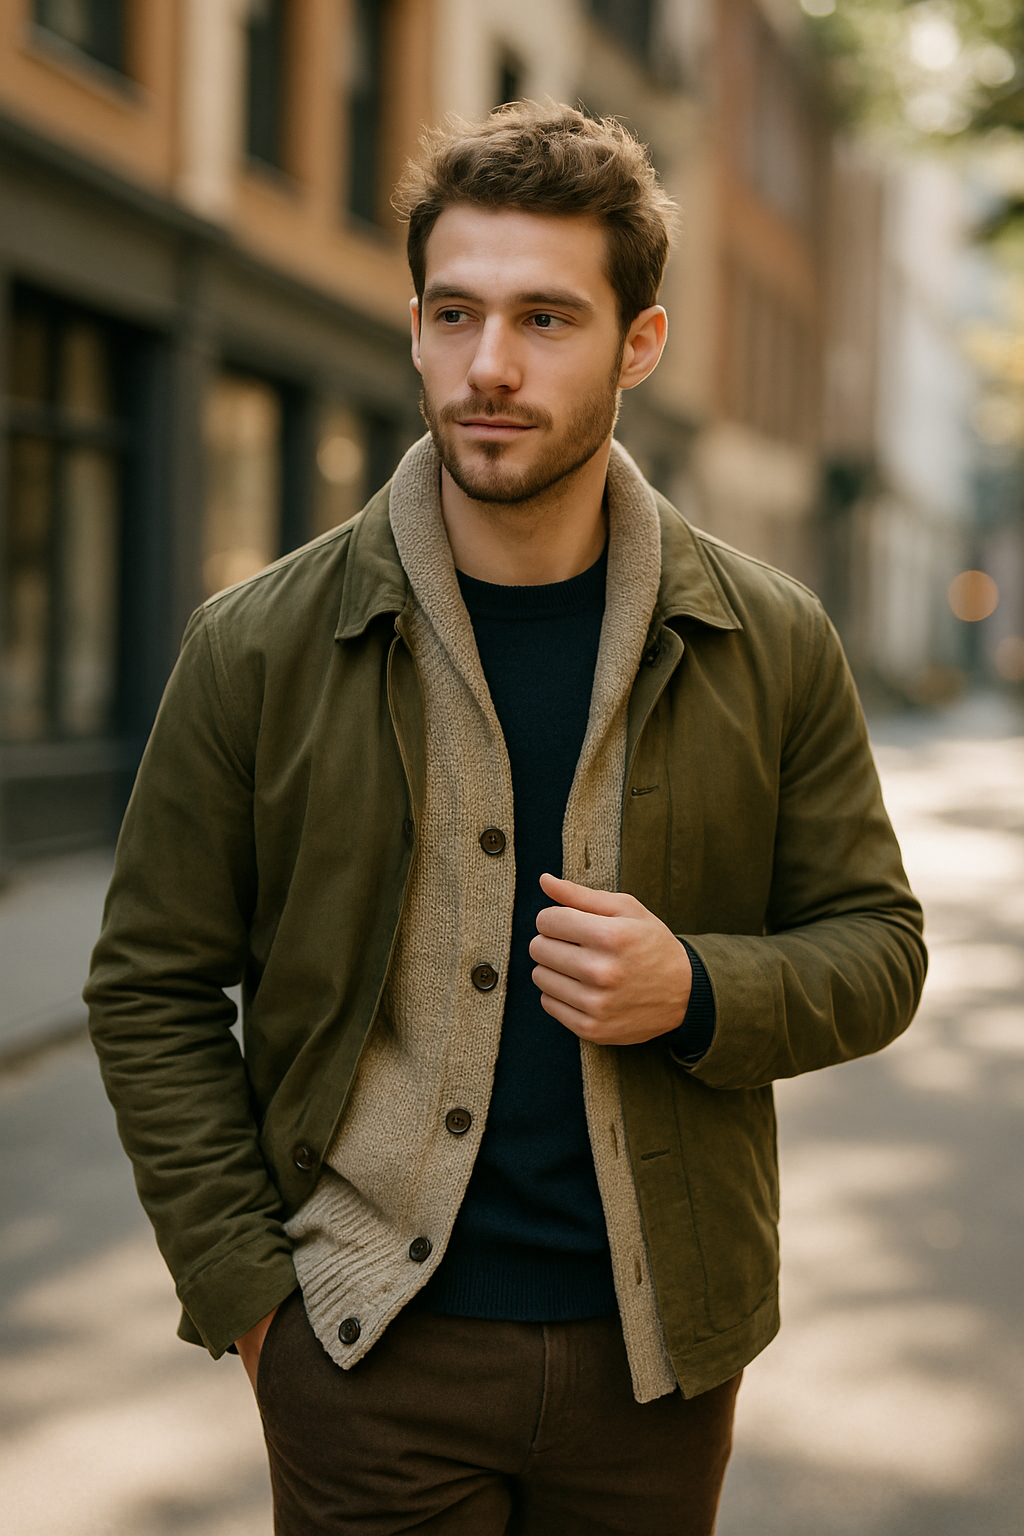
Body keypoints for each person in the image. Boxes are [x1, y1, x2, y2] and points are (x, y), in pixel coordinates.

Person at [85, 102, 926, 1535]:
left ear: (636, 346)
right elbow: (151, 985)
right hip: (363, 1359)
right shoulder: (258, 644)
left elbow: (881, 947)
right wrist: (253, 1307)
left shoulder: (767, 638)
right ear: (413, 327)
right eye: (456, 314)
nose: (490, 366)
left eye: (546, 319)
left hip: (659, 1364)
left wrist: (702, 987)